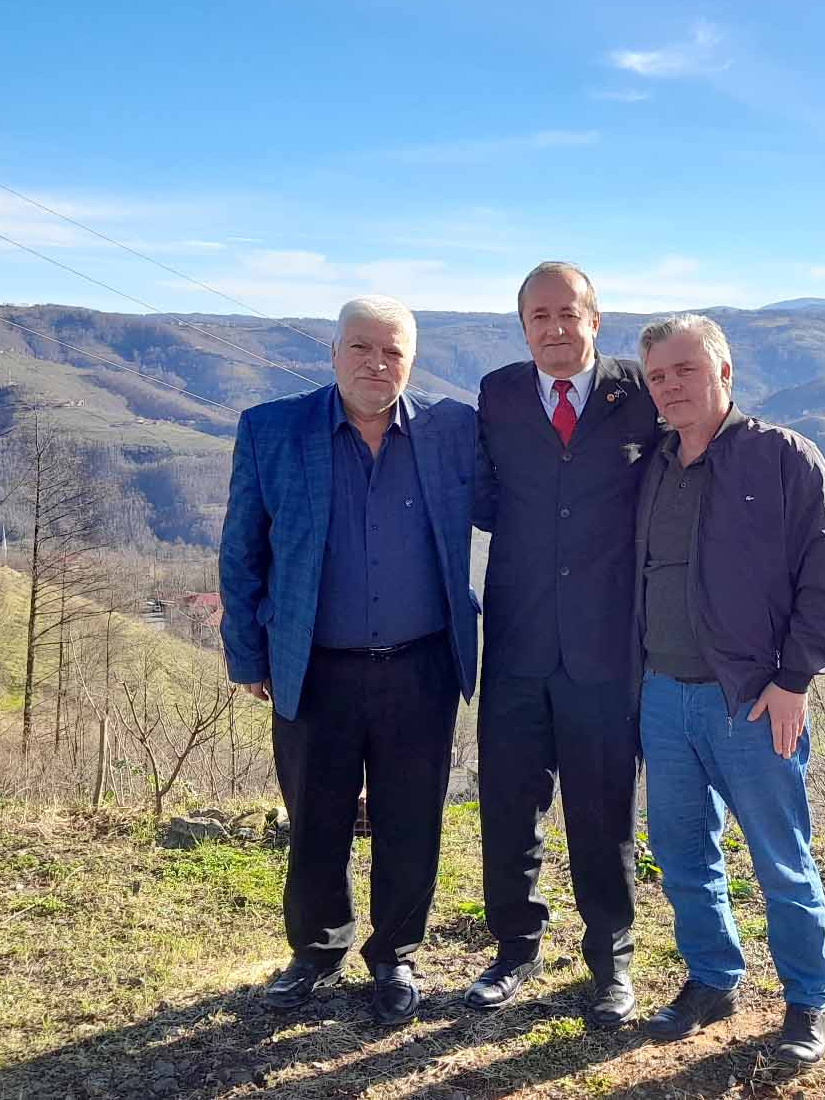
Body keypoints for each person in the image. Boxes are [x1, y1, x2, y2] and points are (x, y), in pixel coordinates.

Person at [218, 295, 478, 1026]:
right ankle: (316, 948)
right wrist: (248, 655)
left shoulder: (451, 430)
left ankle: (395, 954)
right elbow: (241, 550)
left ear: (412, 362)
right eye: (360, 347)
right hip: (314, 665)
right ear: (333, 353)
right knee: (315, 816)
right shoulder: (272, 430)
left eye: (392, 351)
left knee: (411, 820)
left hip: (421, 666)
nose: (376, 363)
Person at [631, 313, 825, 1065]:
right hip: (661, 694)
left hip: (752, 700)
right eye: (657, 376)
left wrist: (793, 680)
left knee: (779, 857)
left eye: (685, 370)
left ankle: (806, 998)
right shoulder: (653, 463)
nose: (670, 386)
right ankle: (712, 979)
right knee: (680, 849)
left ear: (724, 372)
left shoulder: (784, 457)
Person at [466, 261, 661, 1028]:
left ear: (594, 318)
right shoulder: (498, 393)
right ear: (522, 326)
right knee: (508, 805)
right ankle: (514, 948)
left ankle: (611, 963)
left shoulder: (639, 391)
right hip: (516, 638)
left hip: (605, 647)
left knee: (603, 811)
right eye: (538, 315)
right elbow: (483, 495)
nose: (554, 327)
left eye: (567, 312)